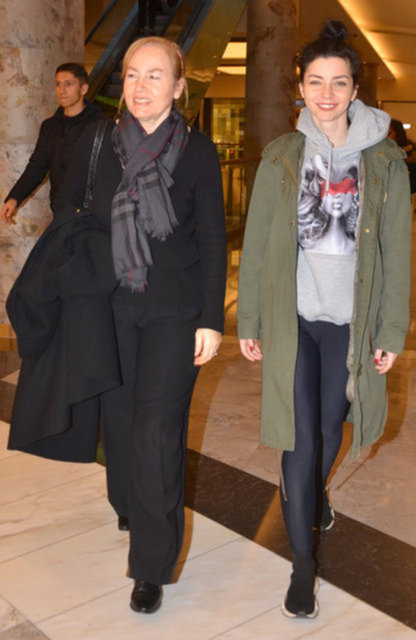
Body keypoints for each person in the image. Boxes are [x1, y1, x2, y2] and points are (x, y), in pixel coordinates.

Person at [21, 36, 225, 614]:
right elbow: (70, 211)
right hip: (108, 306)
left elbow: (212, 238)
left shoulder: (198, 152)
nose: (140, 86)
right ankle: (132, 505)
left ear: (179, 86)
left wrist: (212, 319)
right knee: (119, 423)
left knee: (157, 430)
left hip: (174, 310)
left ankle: (150, 565)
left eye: (155, 75)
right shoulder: (99, 141)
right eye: (133, 74)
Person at [237, 20, 411, 619]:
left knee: (329, 429)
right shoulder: (282, 156)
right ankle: (303, 564)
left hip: (349, 324)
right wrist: (250, 319)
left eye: (339, 82)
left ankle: (314, 496)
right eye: (315, 81)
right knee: (299, 436)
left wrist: (390, 331)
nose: (327, 93)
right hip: (294, 318)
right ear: (301, 88)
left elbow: (396, 253)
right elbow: (258, 245)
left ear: (355, 89)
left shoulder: (385, 161)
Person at [1, 62, 102, 224]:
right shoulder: (50, 126)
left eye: (69, 84)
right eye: (58, 84)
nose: (62, 91)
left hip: (91, 216)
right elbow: (37, 167)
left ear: (83, 89)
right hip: (60, 212)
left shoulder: (100, 126)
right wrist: (14, 198)